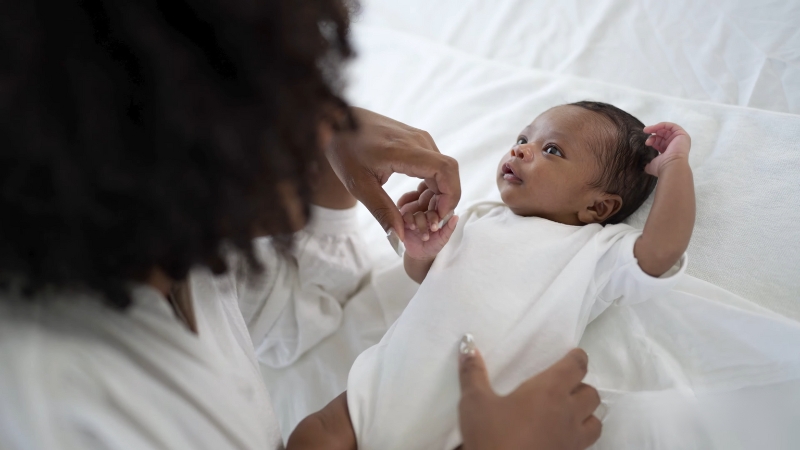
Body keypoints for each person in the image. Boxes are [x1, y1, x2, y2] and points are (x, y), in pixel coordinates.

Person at [0, 1, 601, 449]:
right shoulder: (71, 413)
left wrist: (323, 172)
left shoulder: (162, 249)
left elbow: (294, 318)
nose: (324, 118)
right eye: (284, 99)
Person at [339, 102, 694, 448]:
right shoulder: (481, 215)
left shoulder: (598, 249)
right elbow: (427, 276)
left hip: (477, 418)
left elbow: (661, 250)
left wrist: (675, 166)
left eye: (552, 149)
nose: (521, 151)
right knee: (313, 433)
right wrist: (422, 252)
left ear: (597, 207)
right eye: (523, 139)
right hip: (382, 384)